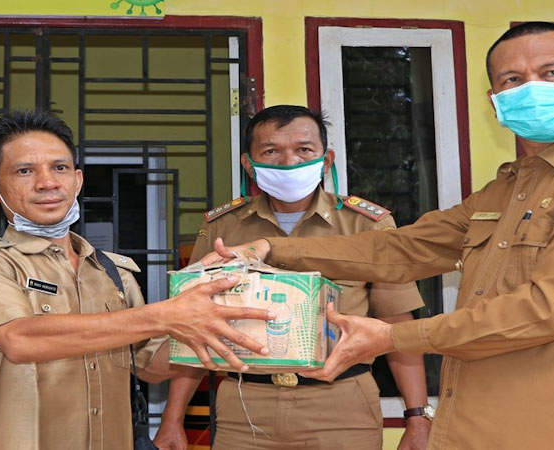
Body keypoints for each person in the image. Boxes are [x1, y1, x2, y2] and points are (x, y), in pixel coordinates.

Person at [200, 22, 554, 449]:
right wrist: (272, 247)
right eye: (512, 80)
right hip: (475, 425)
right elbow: (399, 249)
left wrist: (393, 337)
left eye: (551, 73)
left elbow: (552, 308)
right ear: (495, 101)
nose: (530, 88)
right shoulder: (505, 190)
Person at [0, 110, 275, 450]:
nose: (47, 182)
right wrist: (164, 315)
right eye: (25, 171)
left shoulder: (112, 270)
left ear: (77, 180)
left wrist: (213, 310)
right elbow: (20, 340)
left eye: (59, 168)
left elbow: (150, 364)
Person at [154, 105, 431, 450]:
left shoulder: (367, 225)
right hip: (245, 407)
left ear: (326, 160)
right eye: (271, 151)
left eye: (304, 150)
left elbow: (397, 327)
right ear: (248, 164)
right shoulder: (222, 228)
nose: (289, 163)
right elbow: (196, 329)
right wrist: (172, 419)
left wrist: (417, 418)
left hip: (341, 406)